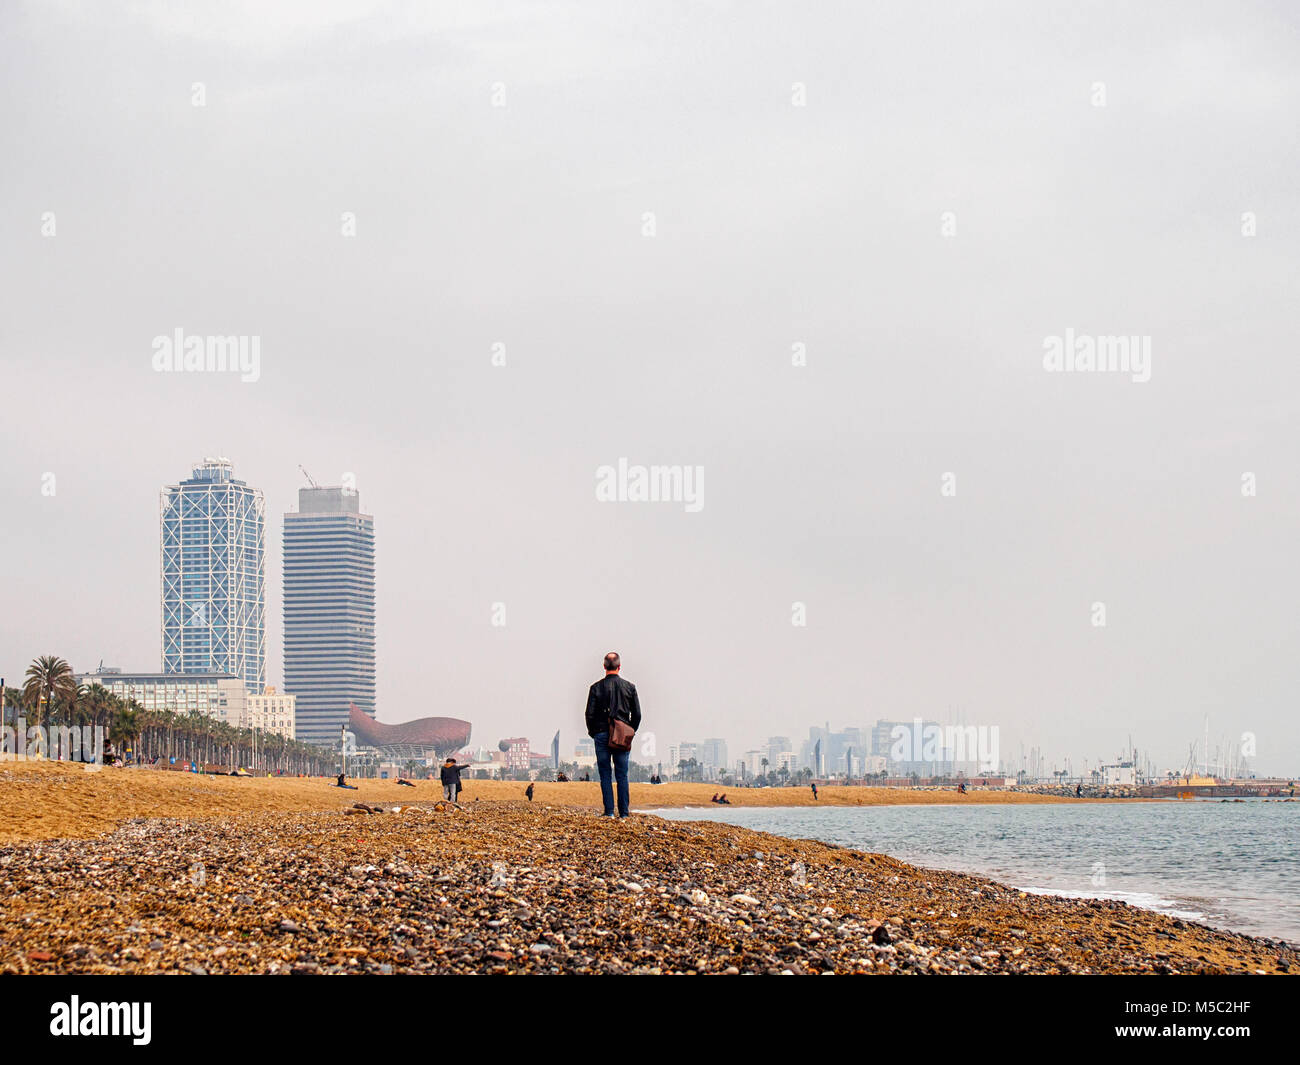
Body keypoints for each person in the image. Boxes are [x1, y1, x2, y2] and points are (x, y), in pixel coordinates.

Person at [584, 651, 642, 819]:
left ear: (604, 667)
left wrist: (593, 732)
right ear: (619, 666)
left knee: (605, 773)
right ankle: (623, 813)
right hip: (622, 734)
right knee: (622, 774)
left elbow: (589, 714)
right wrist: (630, 731)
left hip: (601, 733)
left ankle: (609, 811)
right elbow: (637, 714)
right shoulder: (629, 687)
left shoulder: (595, 688)